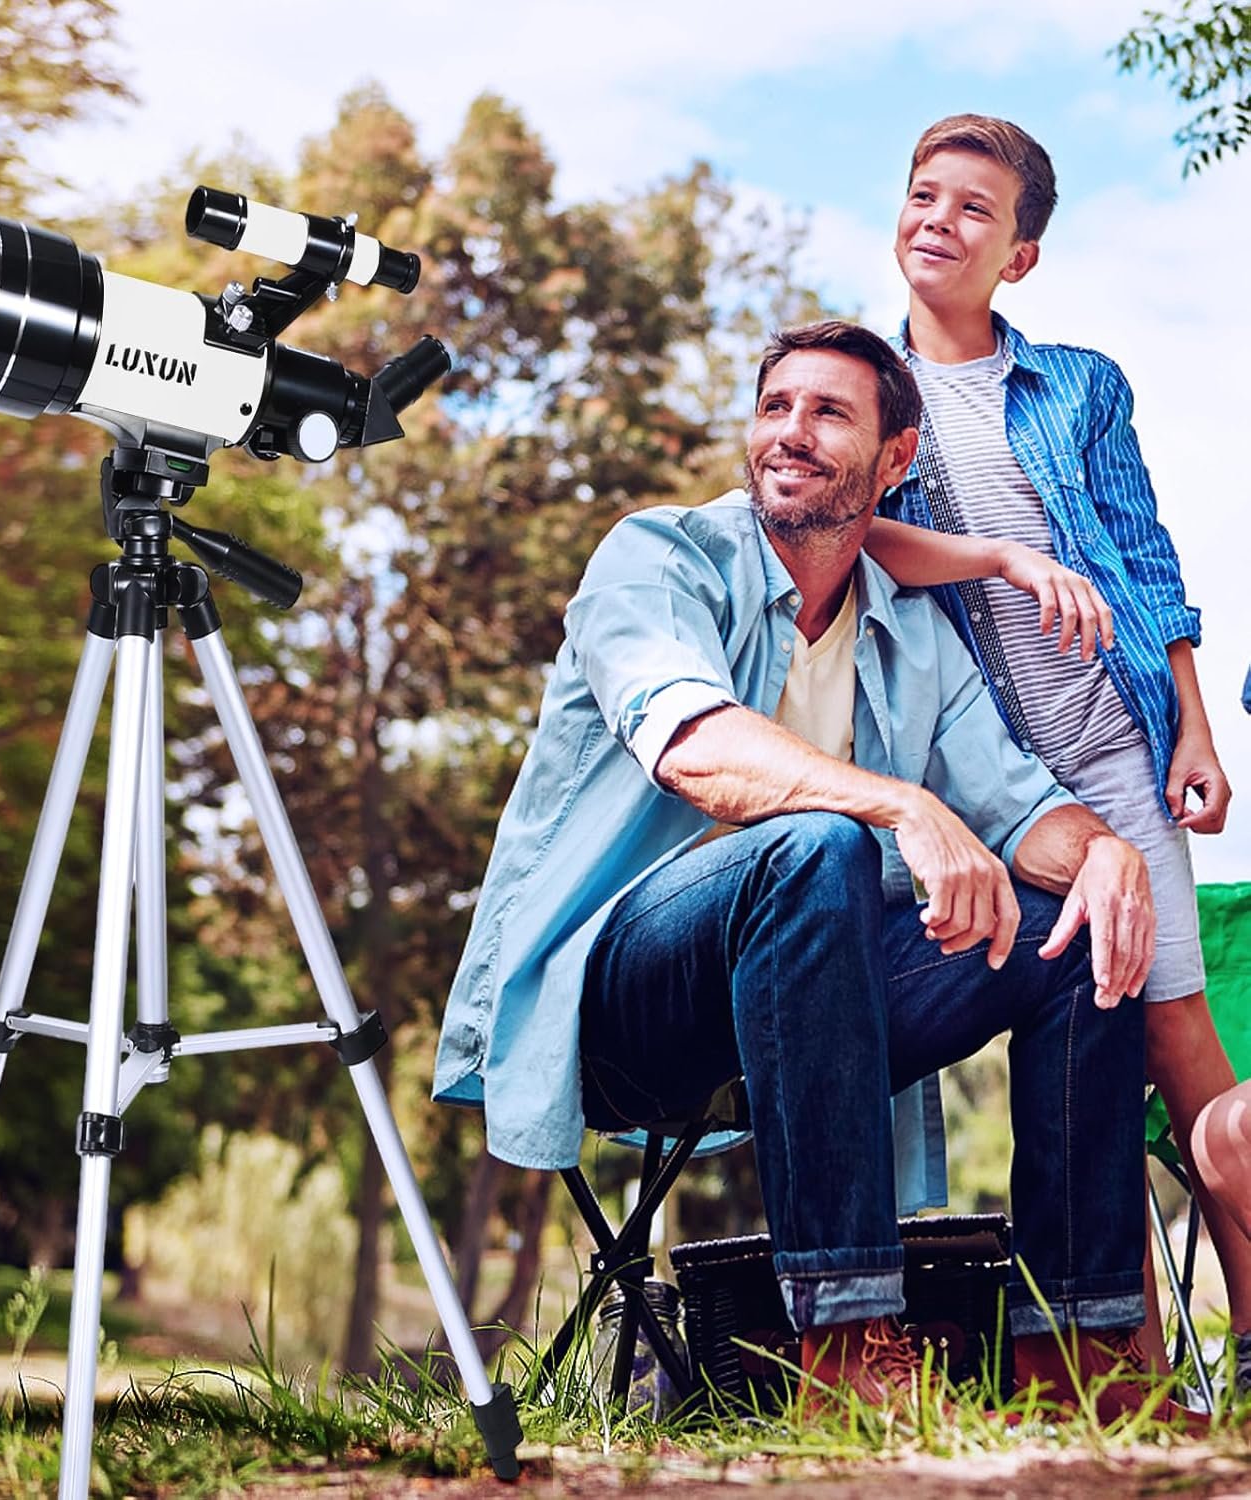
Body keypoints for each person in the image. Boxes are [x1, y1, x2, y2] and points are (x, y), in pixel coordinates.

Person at [434, 318, 1177, 1416]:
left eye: (830, 413)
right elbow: (694, 749)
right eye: (777, 407)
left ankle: (1078, 1354)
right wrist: (898, 803)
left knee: (1081, 931)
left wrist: (1108, 854)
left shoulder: (915, 632)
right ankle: (844, 1342)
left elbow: (1025, 809)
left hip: (821, 1011)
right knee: (814, 842)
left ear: (895, 461)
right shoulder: (660, 556)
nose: (792, 433)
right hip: (626, 1002)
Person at [865, 112, 1245, 1384]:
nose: (942, 221)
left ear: (1018, 255)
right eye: (926, 197)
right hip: (994, 787)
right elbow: (852, 535)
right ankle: (1119, 1369)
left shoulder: (1080, 384)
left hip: (1118, 753)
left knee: (1177, 1041)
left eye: (976, 209)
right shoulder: (862, 382)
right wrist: (1001, 555)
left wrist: (1189, 723)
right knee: (1082, 1049)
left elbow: (1141, 562)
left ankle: (1249, 1347)